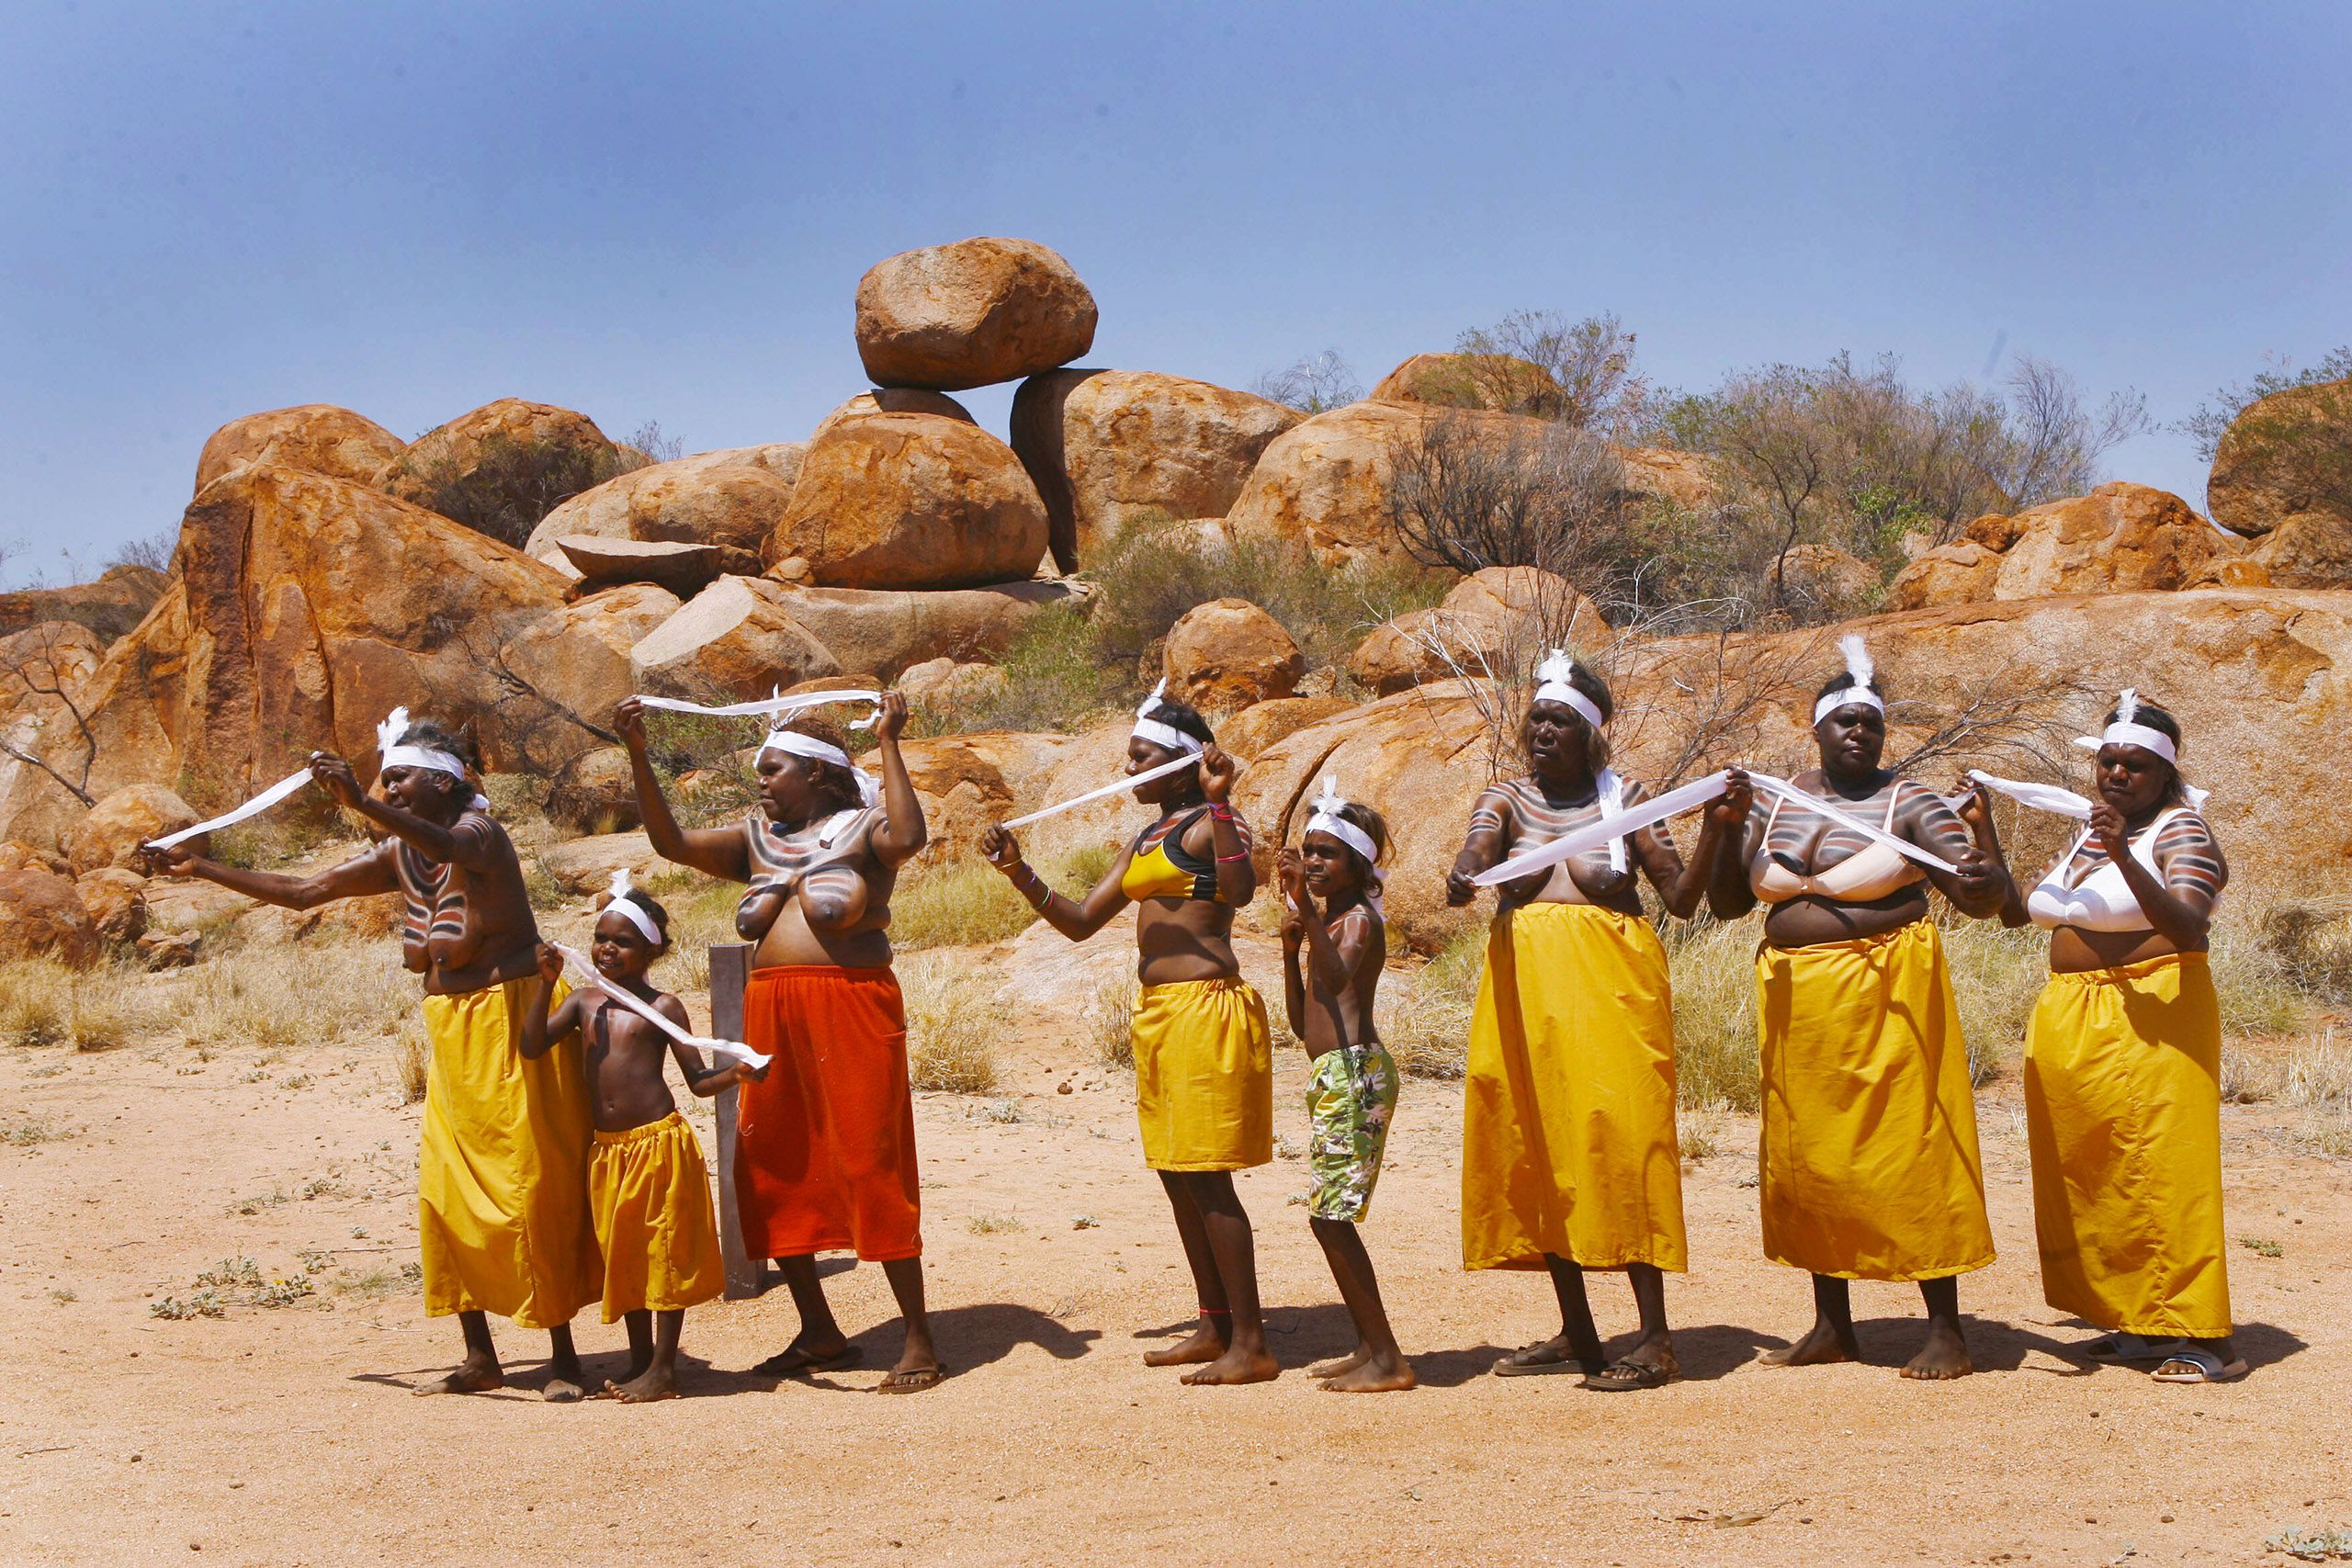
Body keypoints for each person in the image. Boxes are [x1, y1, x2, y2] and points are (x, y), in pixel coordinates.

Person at [141, 712, 601, 1398]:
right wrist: (200, 867)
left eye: (401, 778)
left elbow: (446, 841)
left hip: (512, 1019)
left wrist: (360, 801)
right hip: (452, 1030)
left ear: (444, 782)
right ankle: (480, 1355)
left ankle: (563, 1357)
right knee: (446, 1191)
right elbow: (306, 892)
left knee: (529, 1184)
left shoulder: (479, 835)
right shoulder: (400, 855)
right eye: (385, 781)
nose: (392, 790)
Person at [615, 690, 943, 1393]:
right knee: (772, 1159)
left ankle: (918, 1337)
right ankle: (818, 1327)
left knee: (869, 1157)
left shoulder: (865, 828)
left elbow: (910, 837)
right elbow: (670, 843)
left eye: (774, 769)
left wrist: (888, 741)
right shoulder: (755, 841)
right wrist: (638, 754)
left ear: (817, 772)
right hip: (770, 1008)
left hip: (850, 1003)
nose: (761, 781)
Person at [1706, 636, 2007, 1379]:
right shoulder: (1775, 801)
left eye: (1872, 723)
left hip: (1888, 996)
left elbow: (1976, 895)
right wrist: (1725, 826)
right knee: (1813, 1157)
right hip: (1798, 1002)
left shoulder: (1911, 801)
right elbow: (1728, 902)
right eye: (1846, 720)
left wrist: (1980, 864)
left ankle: (1946, 1330)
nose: (1861, 733)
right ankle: (1831, 1324)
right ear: (1816, 727)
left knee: (1912, 1148)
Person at [1443, 651, 1734, 1391]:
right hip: (1525, 996)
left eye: (1560, 721)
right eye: (1537, 718)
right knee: (1539, 1143)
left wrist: (1715, 829)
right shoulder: (1506, 797)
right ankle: (1578, 1330)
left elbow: (1680, 898)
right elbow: (1478, 847)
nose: (1543, 730)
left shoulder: (1625, 801)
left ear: (1590, 734)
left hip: (1614, 994)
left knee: (1626, 1141)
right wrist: (1465, 872)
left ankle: (1656, 1339)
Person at [978, 683, 1275, 1385]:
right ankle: (1215, 1323)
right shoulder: (1145, 838)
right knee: (1178, 1175)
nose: (1127, 767)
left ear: (1176, 763)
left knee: (1209, 1178)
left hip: (1206, 1009)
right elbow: (1081, 920)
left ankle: (1252, 1342)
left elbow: (1241, 891)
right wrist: (1018, 870)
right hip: (1161, 1015)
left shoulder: (1211, 824)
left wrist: (1221, 800)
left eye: (1140, 755)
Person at [1956, 692, 2244, 1382]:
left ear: (2165, 772)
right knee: (2097, 1169)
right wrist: (1983, 832)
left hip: (2152, 1015)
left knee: (2162, 1166)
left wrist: (2124, 853)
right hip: (2073, 1017)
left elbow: (2188, 926)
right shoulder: (2089, 834)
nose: (2116, 774)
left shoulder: (2181, 831)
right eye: (2107, 761)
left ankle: (2204, 1335)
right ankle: (2137, 1320)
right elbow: (2018, 914)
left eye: (2134, 765)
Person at [518, 874, 760, 1401]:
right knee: (624, 1252)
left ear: (652, 951)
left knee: (662, 1249)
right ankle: (642, 1359)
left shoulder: (664, 1007)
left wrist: (736, 1074)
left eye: (622, 941)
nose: (607, 949)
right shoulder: (583, 1003)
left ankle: (664, 1369)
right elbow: (532, 1046)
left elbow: (698, 1082)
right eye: (601, 938)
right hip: (608, 1151)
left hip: (657, 1146)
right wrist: (545, 984)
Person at [1276, 780, 1413, 1393]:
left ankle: (1387, 1358)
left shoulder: (1356, 921)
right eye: (1308, 851)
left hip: (1356, 1075)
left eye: (1327, 853)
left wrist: (1303, 911)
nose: (1313, 862)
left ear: (1358, 863)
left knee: (1331, 1219)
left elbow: (1335, 979)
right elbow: (1301, 1017)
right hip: (1332, 1075)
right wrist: (1289, 953)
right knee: (1329, 1214)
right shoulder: (1329, 920)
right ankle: (1367, 1346)